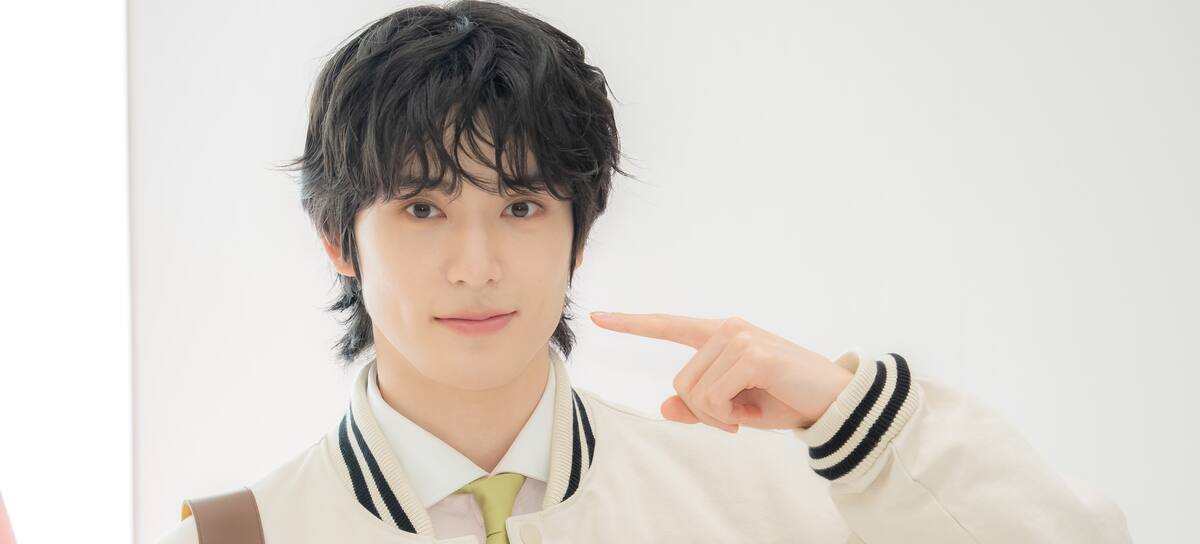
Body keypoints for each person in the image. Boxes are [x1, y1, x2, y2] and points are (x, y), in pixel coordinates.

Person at [156, 1, 1132, 542]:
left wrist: (855, 416)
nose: (476, 266)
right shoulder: (245, 536)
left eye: (522, 206)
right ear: (338, 237)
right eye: (422, 209)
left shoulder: (762, 499)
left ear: (578, 232)